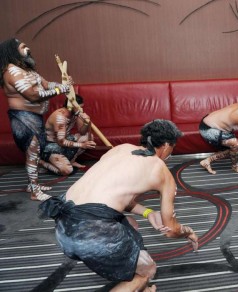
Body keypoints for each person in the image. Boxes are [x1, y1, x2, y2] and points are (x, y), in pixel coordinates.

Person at [38, 119, 198, 292]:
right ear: (166, 145)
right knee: (146, 271)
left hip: (63, 225)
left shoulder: (120, 149)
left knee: (131, 224)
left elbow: (111, 197)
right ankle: (138, 283)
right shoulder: (161, 170)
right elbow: (171, 230)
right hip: (91, 234)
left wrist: (147, 212)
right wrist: (187, 231)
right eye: (173, 147)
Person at [0, 38, 71, 201]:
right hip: (24, 118)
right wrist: (61, 89)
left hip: (35, 117)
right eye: (23, 47)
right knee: (33, 151)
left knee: (35, 152)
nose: (28, 48)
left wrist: (62, 85)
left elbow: (46, 85)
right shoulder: (12, 71)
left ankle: (31, 185)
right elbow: (33, 96)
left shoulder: (27, 70)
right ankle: (35, 191)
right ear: (12, 51)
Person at [42, 94, 96, 175]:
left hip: (66, 142)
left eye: (82, 107)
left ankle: (71, 161)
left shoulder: (74, 113)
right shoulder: (59, 117)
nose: (81, 110)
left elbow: (82, 132)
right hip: (52, 147)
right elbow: (61, 142)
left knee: (89, 137)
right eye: (79, 107)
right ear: (71, 106)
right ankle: (42, 163)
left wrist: (85, 122)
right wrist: (82, 145)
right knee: (67, 170)